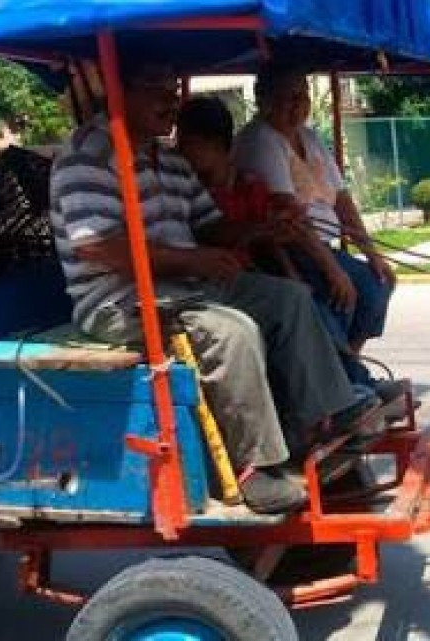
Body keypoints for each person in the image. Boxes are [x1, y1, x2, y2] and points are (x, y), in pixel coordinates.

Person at [48, 59, 380, 515]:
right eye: (155, 88)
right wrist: (193, 259)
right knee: (231, 332)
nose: (170, 100)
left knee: (290, 298)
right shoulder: (88, 154)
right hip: (118, 301)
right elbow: (100, 248)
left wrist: (261, 229)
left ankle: (324, 417)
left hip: (185, 285)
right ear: (119, 93)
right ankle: (252, 470)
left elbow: (210, 225)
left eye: (172, 89)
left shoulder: (167, 158)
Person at [175, 96, 379, 404]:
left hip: (255, 268)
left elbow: (264, 234)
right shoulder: (189, 182)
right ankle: (345, 388)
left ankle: (346, 380)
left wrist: (291, 271)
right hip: (220, 276)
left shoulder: (246, 185)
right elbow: (209, 235)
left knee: (317, 294)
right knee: (305, 306)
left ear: (223, 148)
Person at [231, 61, 407, 408]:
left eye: (302, 95)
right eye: (285, 97)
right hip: (289, 248)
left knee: (377, 283)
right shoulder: (261, 140)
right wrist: (333, 270)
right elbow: (290, 216)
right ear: (263, 99)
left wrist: (372, 254)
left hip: (322, 244)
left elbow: (342, 200)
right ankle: (351, 386)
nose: (296, 105)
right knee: (337, 297)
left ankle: (349, 373)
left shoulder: (308, 137)